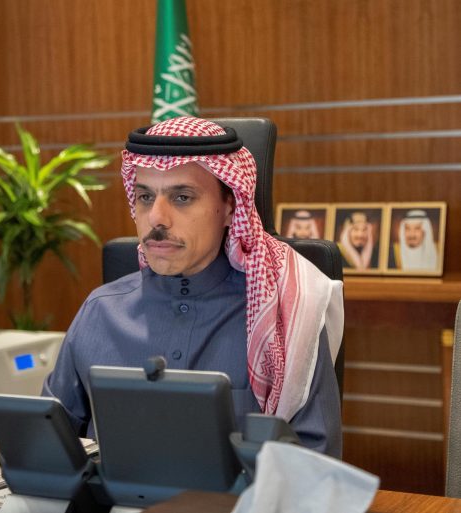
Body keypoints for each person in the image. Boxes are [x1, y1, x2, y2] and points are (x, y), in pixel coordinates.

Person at [43, 116, 344, 457]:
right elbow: (49, 446)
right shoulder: (99, 311)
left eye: (182, 197)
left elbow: (315, 464)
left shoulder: (284, 316)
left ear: (230, 207)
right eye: (145, 196)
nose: (156, 218)